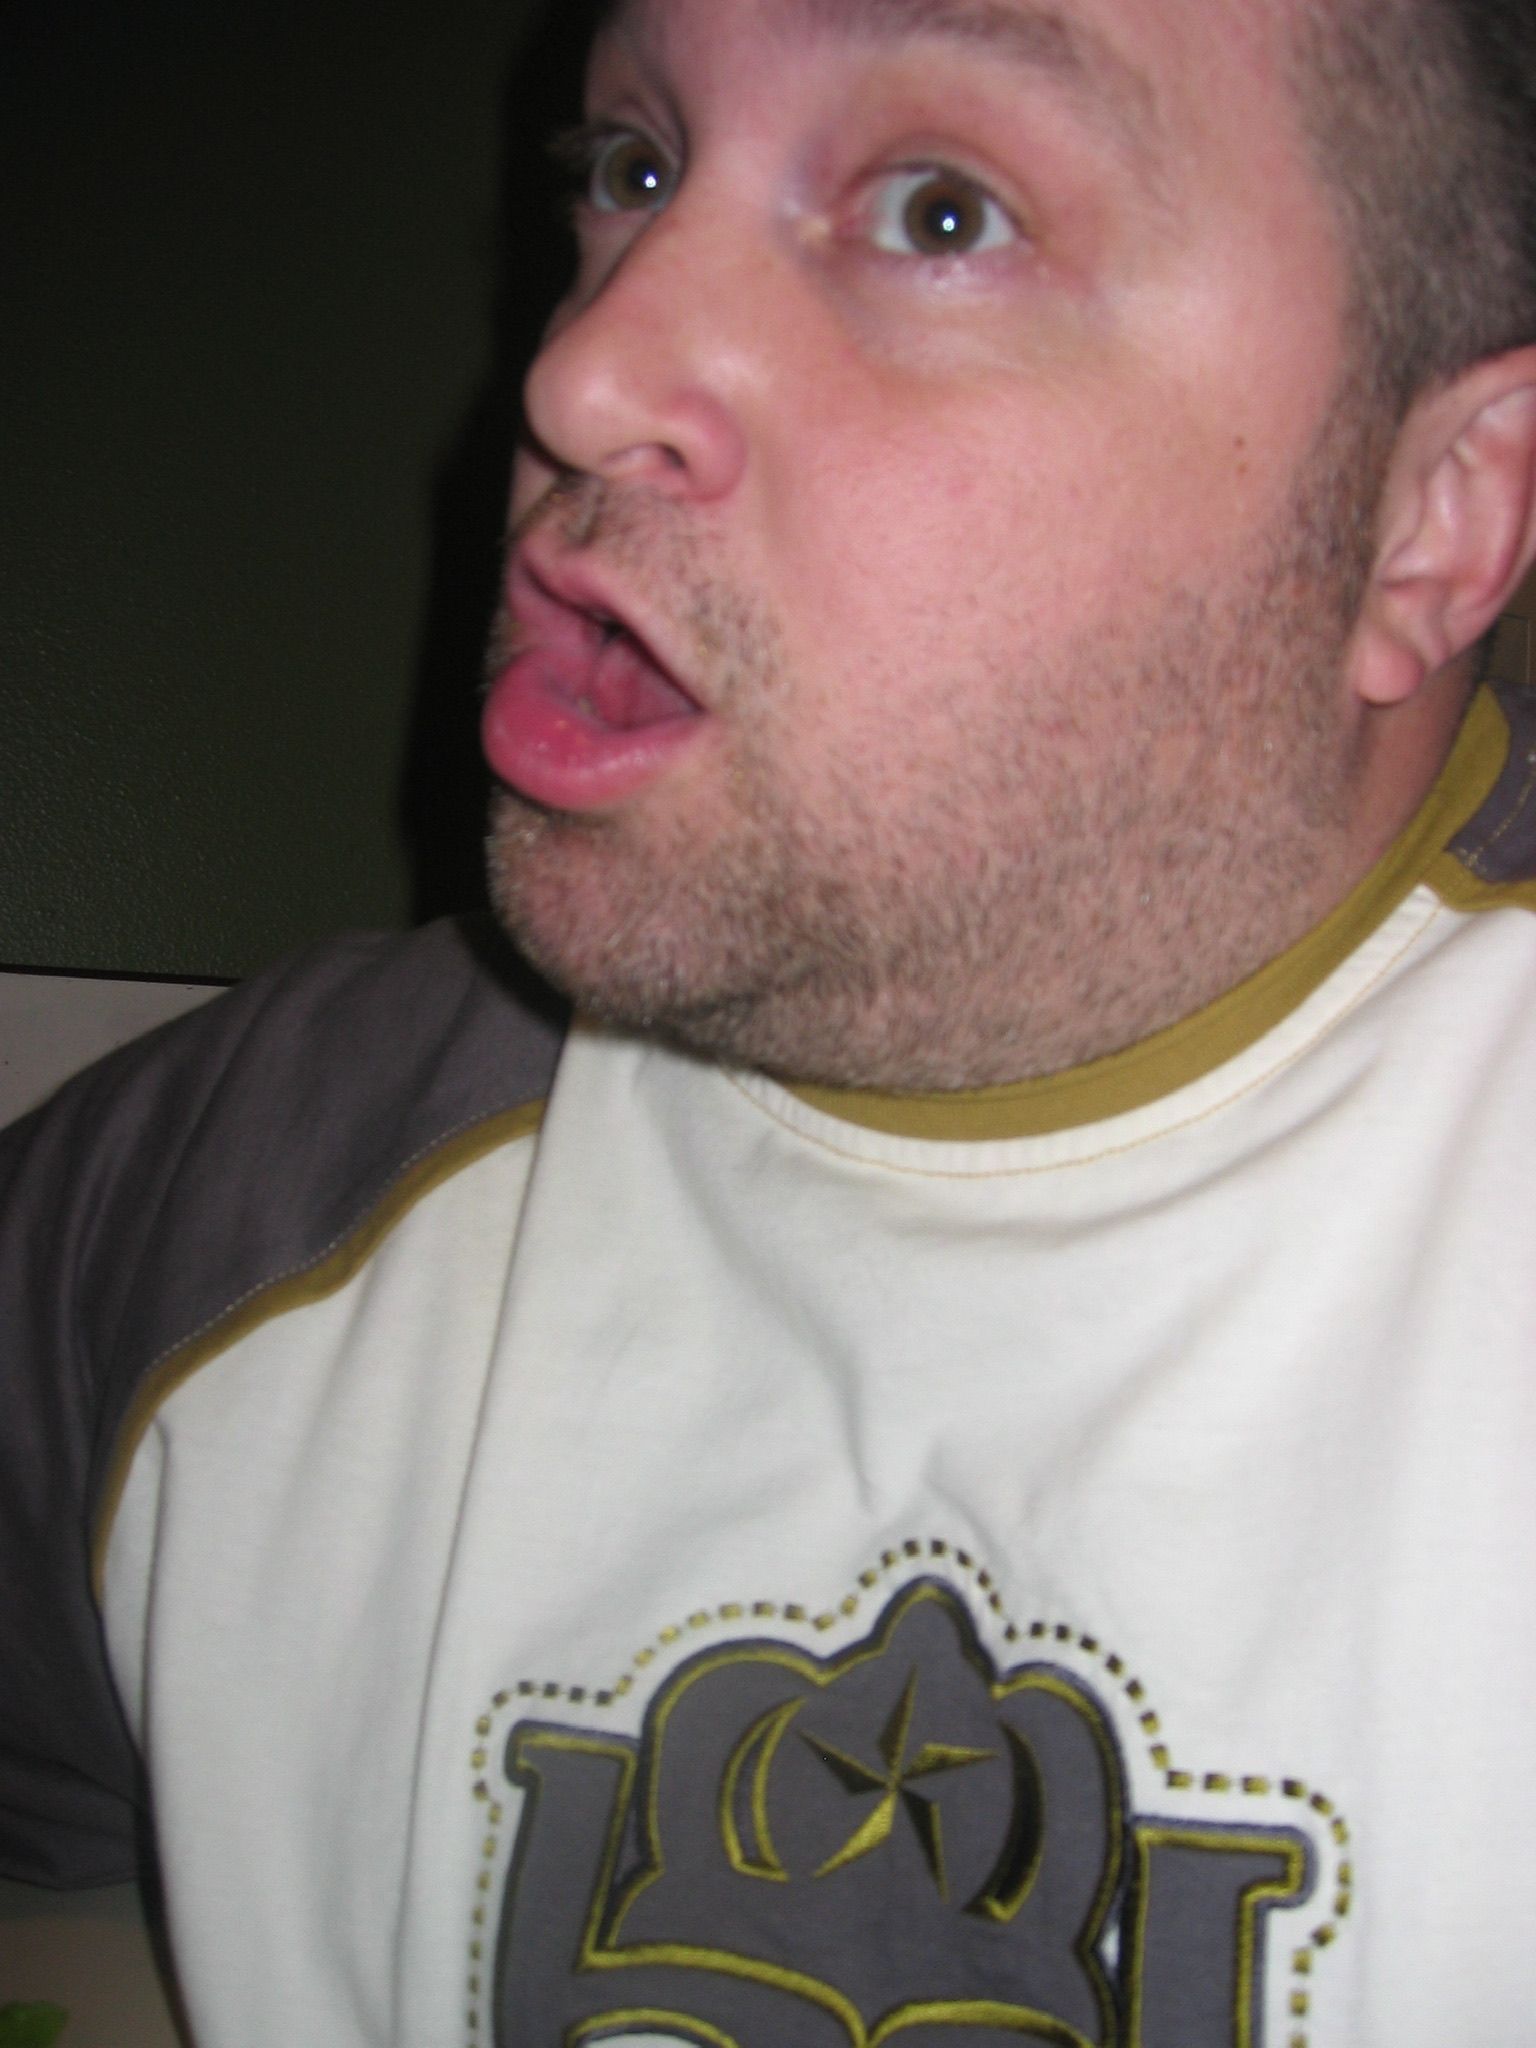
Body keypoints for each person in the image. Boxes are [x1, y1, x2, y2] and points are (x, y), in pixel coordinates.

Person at [4, 0, 1536, 2039]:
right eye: (633, 167)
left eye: (941, 210)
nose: (582, 372)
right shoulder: (208, 1205)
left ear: (1432, 515)